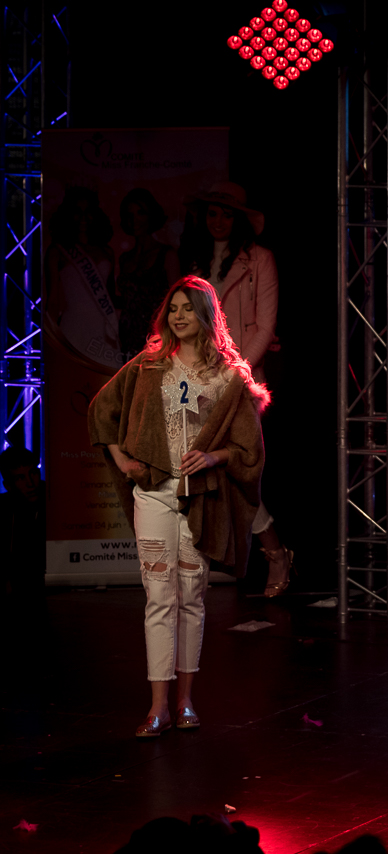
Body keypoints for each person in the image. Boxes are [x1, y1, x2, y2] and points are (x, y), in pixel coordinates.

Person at [88, 276, 269, 737]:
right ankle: (158, 707)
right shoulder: (150, 366)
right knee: (158, 598)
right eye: (173, 308)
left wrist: (212, 456)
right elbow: (101, 410)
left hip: (200, 498)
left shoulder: (227, 376)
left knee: (191, 598)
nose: (179, 316)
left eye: (188, 308)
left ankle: (185, 701)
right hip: (154, 493)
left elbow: (247, 449)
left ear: (206, 314)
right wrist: (122, 460)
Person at [179, 182, 291, 596]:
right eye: (212, 212)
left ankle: (273, 552)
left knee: (237, 465)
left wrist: (237, 372)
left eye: (227, 214)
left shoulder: (260, 259)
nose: (219, 221)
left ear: (239, 218)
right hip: (199, 374)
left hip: (242, 379)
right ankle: (247, 553)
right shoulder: (195, 259)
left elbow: (265, 325)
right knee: (206, 464)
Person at [44, 186, 123, 369]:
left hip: (104, 328)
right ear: (68, 215)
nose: (83, 218)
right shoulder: (57, 251)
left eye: (88, 212)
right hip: (73, 327)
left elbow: (110, 296)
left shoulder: (107, 252)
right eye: (77, 212)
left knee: (106, 379)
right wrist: (52, 340)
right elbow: (53, 302)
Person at [116, 188, 180, 360]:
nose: (134, 220)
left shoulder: (167, 255)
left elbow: (178, 302)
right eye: (130, 214)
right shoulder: (124, 259)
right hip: (126, 338)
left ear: (151, 215)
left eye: (140, 213)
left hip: (156, 338)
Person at [1, 446, 46, 605]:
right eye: (20, 478)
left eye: (33, 473)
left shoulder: (56, 499)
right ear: (8, 485)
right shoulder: (3, 509)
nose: (30, 483)